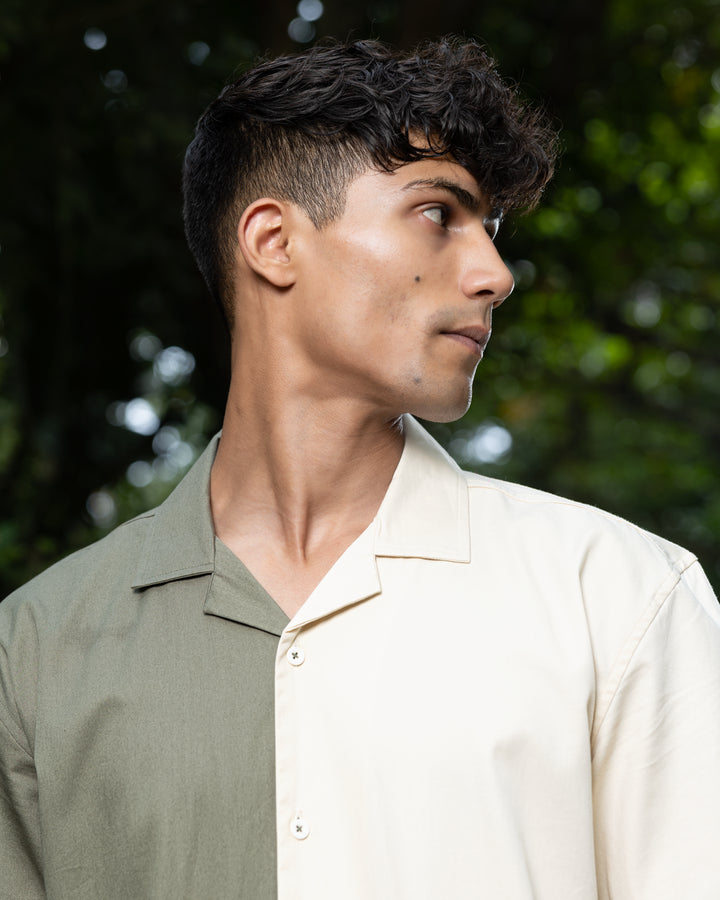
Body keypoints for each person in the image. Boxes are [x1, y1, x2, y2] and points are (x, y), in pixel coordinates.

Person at [1, 37, 719, 900]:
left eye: (489, 232)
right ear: (274, 241)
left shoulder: (623, 597)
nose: (495, 275)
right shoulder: (35, 647)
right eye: (438, 214)